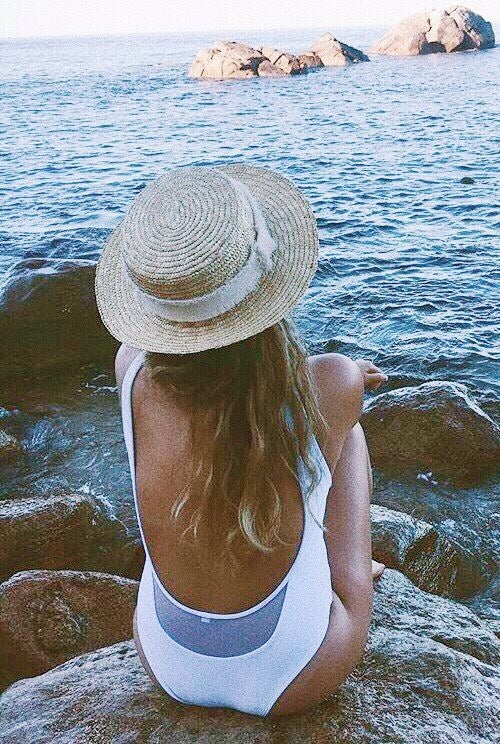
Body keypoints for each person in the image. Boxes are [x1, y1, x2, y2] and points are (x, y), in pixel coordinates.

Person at [95, 165, 387, 717]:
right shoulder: (332, 380)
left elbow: (219, 397)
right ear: (268, 290)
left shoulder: (130, 369)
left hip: (166, 659)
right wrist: (342, 380)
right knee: (348, 434)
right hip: (295, 672)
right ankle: (350, 572)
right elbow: (272, 397)